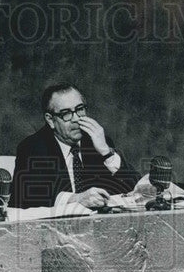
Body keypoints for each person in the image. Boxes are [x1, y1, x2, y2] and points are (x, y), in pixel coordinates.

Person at [11, 83, 140, 211]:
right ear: (50, 120)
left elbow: (135, 188)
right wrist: (77, 199)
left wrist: (106, 153)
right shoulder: (31, 147)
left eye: (79, 109)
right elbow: (26, 198)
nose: (76, 119)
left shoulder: (97, 140)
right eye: (66, 113)